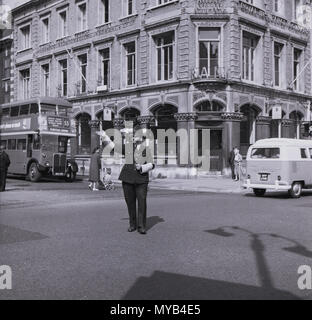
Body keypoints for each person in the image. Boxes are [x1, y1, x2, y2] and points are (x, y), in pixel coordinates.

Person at [119, 136, 155, 235]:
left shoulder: (147, 150)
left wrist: (142, 167)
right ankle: (132, 224)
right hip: (127, 179)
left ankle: (141, 226)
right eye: (134, 136)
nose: (134, 137)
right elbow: (115, 147)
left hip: (141, 180)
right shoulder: (128, 148)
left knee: (142, 202)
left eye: (137, 136)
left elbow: (152, 164)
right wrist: (105, 137)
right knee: (130, 203)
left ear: (142, 138)